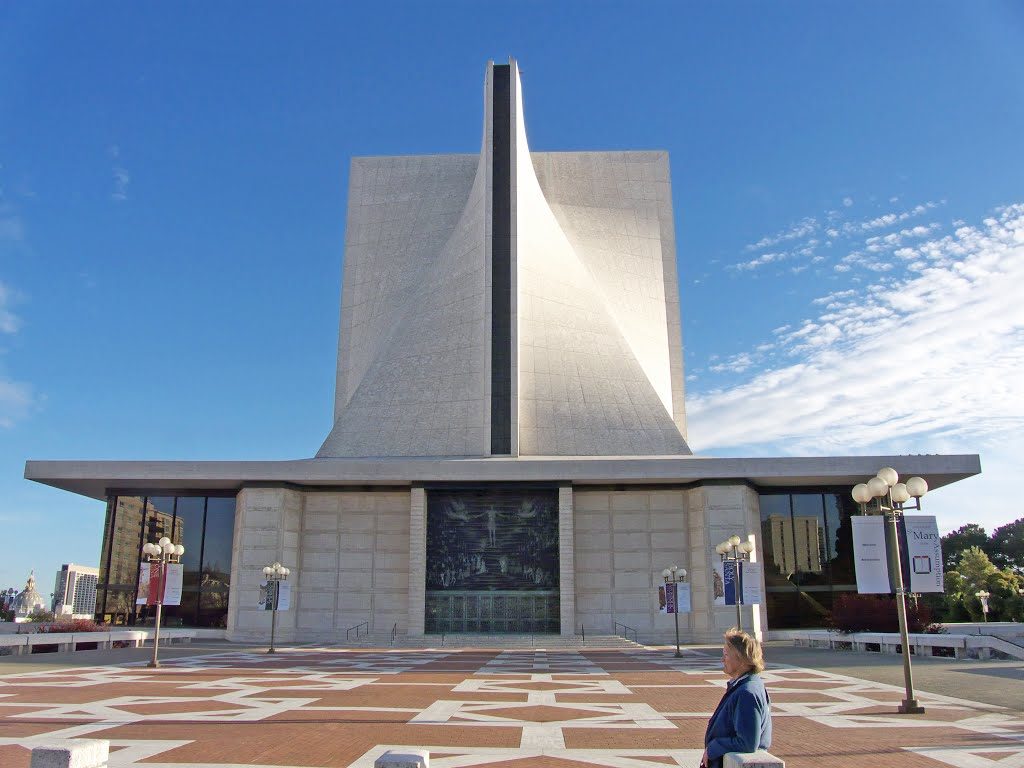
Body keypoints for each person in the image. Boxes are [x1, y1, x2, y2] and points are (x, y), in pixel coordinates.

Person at [701, 629, 772, 768]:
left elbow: (747, 743)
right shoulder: (745, 686)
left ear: (741, 659)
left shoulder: (747, 693)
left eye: (726, 654)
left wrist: (713, 748)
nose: (722, 659)